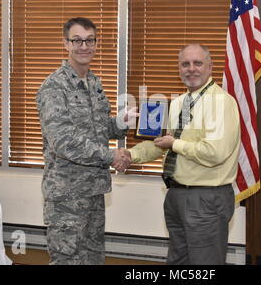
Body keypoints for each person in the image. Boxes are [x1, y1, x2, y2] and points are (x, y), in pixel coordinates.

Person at [126, 44, 240, 265]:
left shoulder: (221, 103)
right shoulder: (178, 102)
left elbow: (215, 153)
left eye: (198, 63)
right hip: (176, 195)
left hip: (206, 198)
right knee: (177, 261)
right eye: (185, 64)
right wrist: (130, 155)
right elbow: (160, 144)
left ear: (210, 67)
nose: (191, 69)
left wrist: (175, 143)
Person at [36, 17, 134, 265]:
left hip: (93, 191)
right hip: (66, 197)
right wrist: (111, 156)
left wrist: (121, 123)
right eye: (77, 40)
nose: (84, 46)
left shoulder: (93, 83)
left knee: (93, 258)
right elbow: (64, 141)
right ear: (65, 44)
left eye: (90, 40)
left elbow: (98, 130)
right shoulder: (54, 87)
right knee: (69, 260)